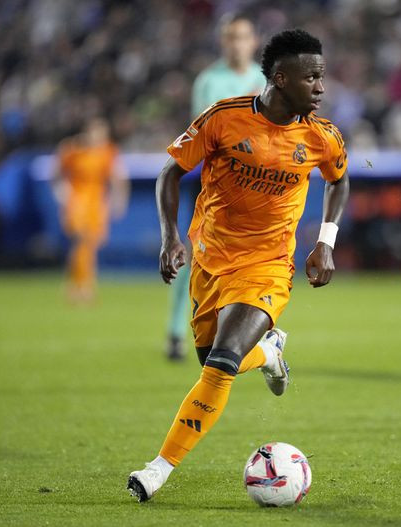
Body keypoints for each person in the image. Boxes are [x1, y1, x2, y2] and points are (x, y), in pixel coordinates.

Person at [127, 29, 350, 502]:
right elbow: (170, 172)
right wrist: (170, 237)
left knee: (220, 366)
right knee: (213, 360)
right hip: (211, 260)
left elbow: (339, 180)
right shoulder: (223, 118)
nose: (320, 88)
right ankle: (269, 353)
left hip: (268, 265)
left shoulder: (321, 135)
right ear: (281, 78)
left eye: (321, 77)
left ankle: (157, 469)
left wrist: (325, 242)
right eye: (311, 78)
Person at [166, 13, 267, 361]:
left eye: (242, 37)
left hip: (256, 185)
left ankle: (251, 330)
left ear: (253, 41)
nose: (236, 44)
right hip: (215, 186)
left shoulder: (265, 78)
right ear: (223, 42)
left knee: (256, 259)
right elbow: (207, 132)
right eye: (230, 37)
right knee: (195, 256)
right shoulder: (209, 81)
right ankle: (177, 330)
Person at [52, 118, 128, 303]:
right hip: (78, 201)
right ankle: (82, 285)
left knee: (90, 244)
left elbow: (118, 178)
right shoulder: (74, 150)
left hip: (96, 202)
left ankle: (77, 283)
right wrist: (61, 193)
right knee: (81, 241)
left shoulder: (108, 152)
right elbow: (57, 172)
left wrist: (119, 201)